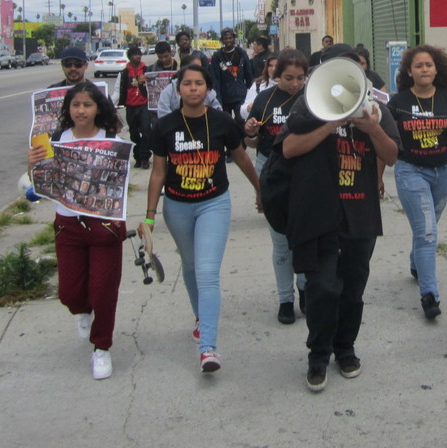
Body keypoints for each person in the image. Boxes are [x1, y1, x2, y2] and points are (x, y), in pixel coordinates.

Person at [277, 43, 401, 393]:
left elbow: (390, 155)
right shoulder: (310, 105)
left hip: (359, 211)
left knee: (353, 288)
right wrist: (332, 123)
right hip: (319, 212)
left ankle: (345, 348)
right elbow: (288, 149)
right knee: (321, 288)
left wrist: (371, 128)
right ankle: (318, 355)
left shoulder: (376, 108)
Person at [140, 62, 262, 373]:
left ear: (208, 89)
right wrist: (150, 217)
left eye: (199, 84)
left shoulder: (222, 122)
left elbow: (242, 157)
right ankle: (200, 317)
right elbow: (158, 173)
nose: (193, 88)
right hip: (177, 207)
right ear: (178, 89)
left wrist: (260, 190)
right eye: (187, 84)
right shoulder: (165, 126)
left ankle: (208, 347)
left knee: (207, 271)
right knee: (191, 266)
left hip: (213, 204)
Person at [26, 81, 127, 380]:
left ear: (98, 108)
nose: (81, 110)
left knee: (104, 290)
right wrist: (32, 164)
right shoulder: (53, 138)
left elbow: (119, 181)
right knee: (70, 292)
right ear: (68, 109)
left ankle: (102, 348)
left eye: (87, 105)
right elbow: (38, 182)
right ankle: (82, 310)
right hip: (68, 224)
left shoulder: (111, 139)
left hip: (104, 224)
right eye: (76, 105)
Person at [388, 45, 447, 320]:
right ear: (409, 72)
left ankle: (416, 263)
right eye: (418, 66)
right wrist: (378, 176)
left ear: (437, 69)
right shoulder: (398, 102)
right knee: (427, 232)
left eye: (428, 65)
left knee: (428, 225)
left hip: (444, 173)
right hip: (411, 172)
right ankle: (429, 295)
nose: (424, 70)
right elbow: (387, 140)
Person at [243, 49, 307, 324]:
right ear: (276, 75)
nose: (294, 84)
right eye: (288, 78)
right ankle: (285, 299)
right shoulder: (263, 99)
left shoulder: (311, 99)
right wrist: (251, 132)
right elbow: (253, 145)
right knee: (280, 243)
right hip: (270, 171)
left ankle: (305, 289)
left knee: (304, 239)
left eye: (300, 78)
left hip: (305, 173)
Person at [209, 27, 253, 127]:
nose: (228, 40)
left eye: (230, 38)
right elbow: (215, 79)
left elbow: (248, 74)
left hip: (240, 95)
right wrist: (218, 98)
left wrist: (251, 93)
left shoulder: (241, 53)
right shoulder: (217, 56)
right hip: (224, 97)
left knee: (241, 121)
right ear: (222, 40)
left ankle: (241, 142)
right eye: (226, 38)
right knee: (226, 123)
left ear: (234, 38)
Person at [117, 45, 152, 169]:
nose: (137, 56)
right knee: (134, 134)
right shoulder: (124, 72)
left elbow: (153, 85)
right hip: (131, 106)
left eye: (139, 54)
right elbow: (119, 89)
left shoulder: (147, 70)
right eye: (135, 54)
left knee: (146, 131)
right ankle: (137, 157)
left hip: (144, 105)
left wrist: (145, 82)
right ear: (130, 57)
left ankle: (145, 157)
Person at [243, 51, 278, 115]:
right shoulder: (258, 85)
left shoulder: (291, 86)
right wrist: (248, 108)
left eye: (277, 66)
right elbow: (243, 110)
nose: (273, 69)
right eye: (270, 66)